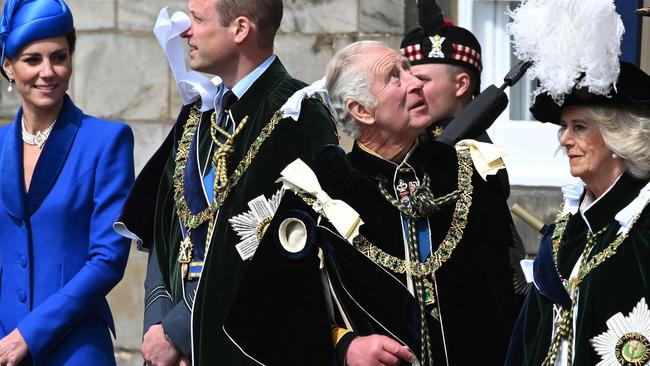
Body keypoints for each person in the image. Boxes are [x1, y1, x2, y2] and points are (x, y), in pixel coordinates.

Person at [226, 40, 521, 366]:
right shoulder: (320, 191)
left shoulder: (470, 173)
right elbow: (263, 317)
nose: (415, 83)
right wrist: (342, 346)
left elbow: (512, 295)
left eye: (409, 70)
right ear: (361, 110)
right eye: (395, 77)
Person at [114, 0, 338, 364]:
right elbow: (166, 227)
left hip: (242, 345)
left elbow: (279, 252)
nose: (185, 30)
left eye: (199, 19)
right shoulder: (199, 113)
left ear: (240, 29)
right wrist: (158, 326)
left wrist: (179, 331)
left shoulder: (297, 114)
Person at [0, 0, 134, 365]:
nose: (48, 72)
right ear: (8, 67)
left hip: (76, 347)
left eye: (59, 57)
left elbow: (108, 258)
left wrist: (28, 334)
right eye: (32, 59)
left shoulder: (106, 142)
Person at [505, 61, 650, 366]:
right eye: (565, 127)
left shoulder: (643, 223)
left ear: (616, 135)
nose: (564, 139)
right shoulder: (566, 229)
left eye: (579, 127)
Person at [400, 0, 512, 198]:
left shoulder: (480, 159)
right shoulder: (410, 140)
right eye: (407, 79)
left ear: (461, 84)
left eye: (421, 79)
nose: (411, 87)